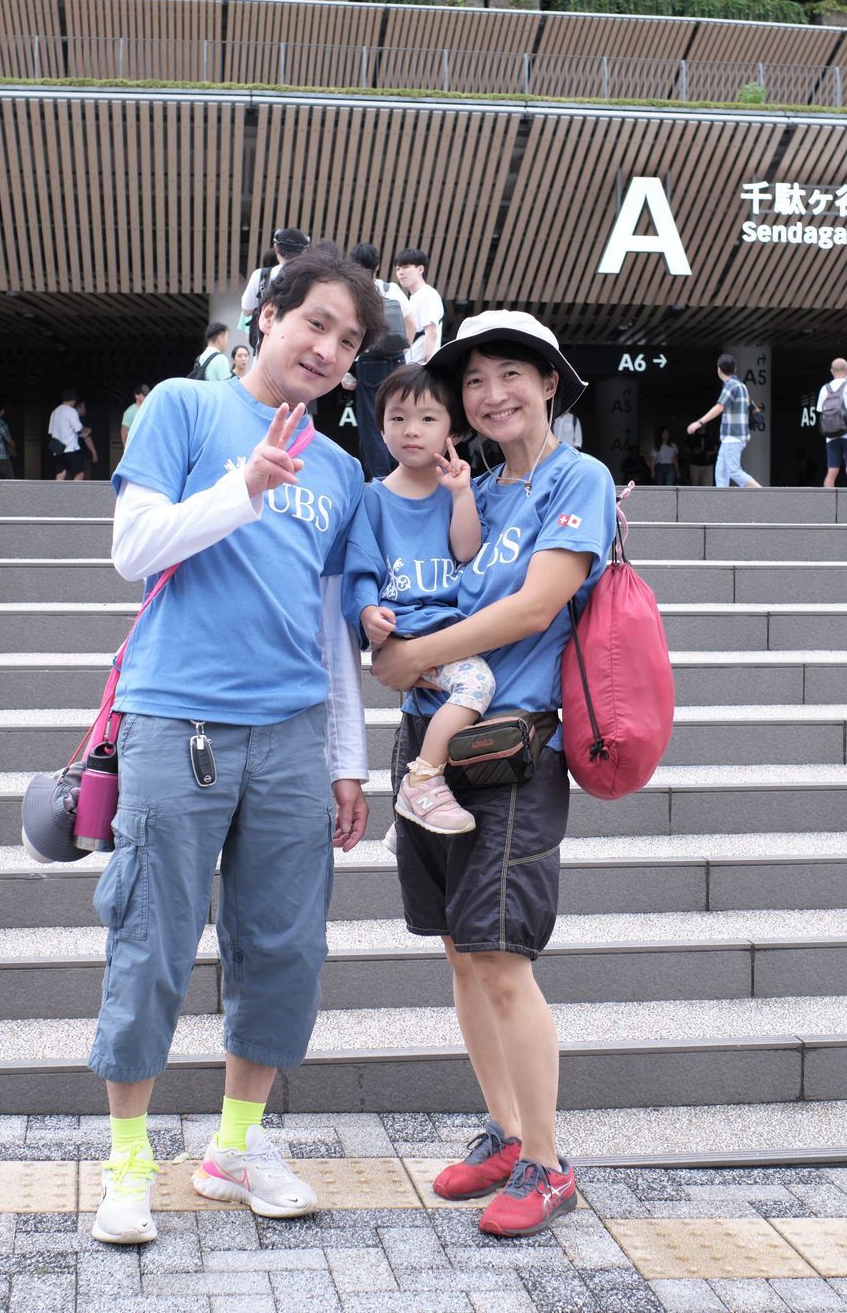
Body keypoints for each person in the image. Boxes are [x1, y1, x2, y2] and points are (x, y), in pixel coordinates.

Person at [84, 241, 377, 1248]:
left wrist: (348, 760)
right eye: (315, 323)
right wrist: (242, 489)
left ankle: (235, 1148)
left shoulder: (341, 470)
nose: (327, 348)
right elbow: (131, 550)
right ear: (267, 318)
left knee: (285, 946)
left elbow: (333, 628)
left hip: (293, 733)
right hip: (178, 718)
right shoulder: (182, 407)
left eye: (348, 340)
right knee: (150, 939)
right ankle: (128, 1163)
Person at [369, 310, 615, 1239]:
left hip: (514, 750)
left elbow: (536, 606)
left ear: (550, 383)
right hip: (431, 740)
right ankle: (506, 1133)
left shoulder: (576, 478)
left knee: (504, 959)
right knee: (461, 953)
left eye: (511, 373)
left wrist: (417, 653)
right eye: (473, 380)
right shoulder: (467, 484)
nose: (490, 393)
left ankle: (549, 1163)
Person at [343, 364, 489, 834]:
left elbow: (466, 551)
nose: (411, 430)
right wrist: (367, 613)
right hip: (405, 629)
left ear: (453, 431)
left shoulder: (459, 492)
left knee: (457, 697)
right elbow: (361, 568)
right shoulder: (372, 498)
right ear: (380, 427)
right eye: (397, 418)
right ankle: (422, 781)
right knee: (477, 686)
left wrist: (461, 495)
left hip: (448, 630)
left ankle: (408, 819)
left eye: (428, 419)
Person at [348, 244, 412, 482]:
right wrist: (403, 350)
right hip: (397, 360)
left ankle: (381, 479)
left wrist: (347, 371)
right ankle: (403, 474)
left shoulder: (354, 292)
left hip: (369, 362)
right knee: (399, 416)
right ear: (377, 265)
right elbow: (411, 323)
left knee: (372, 424)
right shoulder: (391, 288)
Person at [687, 353, 760, 488]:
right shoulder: (742, 386)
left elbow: (720, 407)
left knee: (733, 471)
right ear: (735, 369)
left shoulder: (730, 385)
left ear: (719, 370)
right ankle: (722, 499)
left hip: (733, 436)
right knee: (721, 471)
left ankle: (764, 494)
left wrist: (699, 422)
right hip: (734, 437)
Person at [240, 228, 308, 346]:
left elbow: (247, 310)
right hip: (297, 345)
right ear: (304, 252)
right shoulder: (311, 280)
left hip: (265, 344)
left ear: (276, 248)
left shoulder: (260, 275)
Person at [817, 359, 847, 489]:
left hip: (831, 435)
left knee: (832, 471)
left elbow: (820, 410)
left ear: (831, 371)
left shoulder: (825, 388)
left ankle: (828, 500)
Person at [393, 248, 444, 365]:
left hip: (419, 367)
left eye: (405, 267)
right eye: (398, 269)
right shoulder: (414, 298)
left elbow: (431, 333)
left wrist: (425, 365)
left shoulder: (427, 294)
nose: (401, 272)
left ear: (420, 269)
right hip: (412, 366)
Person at [48, 390, 85, 480]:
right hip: (71, 448)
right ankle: (74, 489)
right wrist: (87, 430)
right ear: (72, 400)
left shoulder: (55, 412)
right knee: (80, 473)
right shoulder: (71, 411)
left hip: (58, 450)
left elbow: (51, 432)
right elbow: (78, 429)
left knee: (61, 473)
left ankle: (57, 489)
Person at [120, 384, 148, 455]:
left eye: (147, 394)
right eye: (144, 394)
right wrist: (126, 448)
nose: (146, 396)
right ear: (137, 396)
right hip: (135, 448)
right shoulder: (130, 411)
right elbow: (124, 431)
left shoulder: (148, 410)